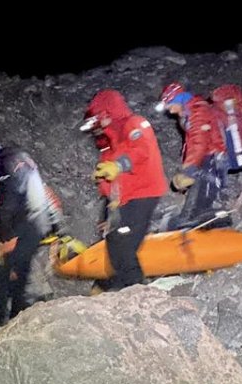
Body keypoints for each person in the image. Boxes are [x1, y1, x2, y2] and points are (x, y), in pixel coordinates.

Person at [0, 135, 57, 328]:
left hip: (25, 226)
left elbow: (9, 202)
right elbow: (0, 203)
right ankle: (13, 322)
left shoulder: (1, 162)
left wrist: (6, 239)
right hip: (33, 224)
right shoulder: (14, 158)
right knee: (13, 276)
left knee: (8, 278)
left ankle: (6, 325)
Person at [83, 89, 167, 290]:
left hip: (144, 193)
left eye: (100, 117)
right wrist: (108, 206)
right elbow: (114, 179)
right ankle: (112, 286)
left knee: (125, 244)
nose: (100, 124)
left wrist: (118, 165)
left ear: (108, 112)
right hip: (126, 198)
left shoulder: (135, 124)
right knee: (114, 240)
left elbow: (141, 150)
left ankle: (137, 291)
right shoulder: (112, 139)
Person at [157, 82, 230, 229]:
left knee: (203, 197)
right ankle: (189, 222)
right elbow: (191, 144)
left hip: (212, 157)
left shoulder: (198, 110)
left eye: (170, 105)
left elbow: (199, 142)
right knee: (196, 195)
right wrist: (187, 167)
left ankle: (216, 221)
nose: (169, 110)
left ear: (178, 100)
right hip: (203, 158)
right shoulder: (189, 112)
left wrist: (189, 168)